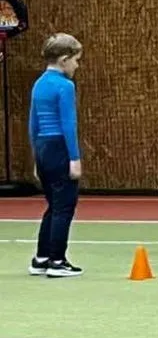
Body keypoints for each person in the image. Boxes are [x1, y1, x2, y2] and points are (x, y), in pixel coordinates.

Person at [27, 33, 85, 278]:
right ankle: (57, 261)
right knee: (64, 207)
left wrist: (35, 157)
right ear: (64, 60)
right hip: (60, 147)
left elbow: (33, 123)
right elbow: (68, 124)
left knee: (54, 205)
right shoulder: (65, 86)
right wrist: (75, 158)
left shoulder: (40, 83)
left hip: (43, 148)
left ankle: (41, 257)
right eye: (75, 60)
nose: (77, 65)